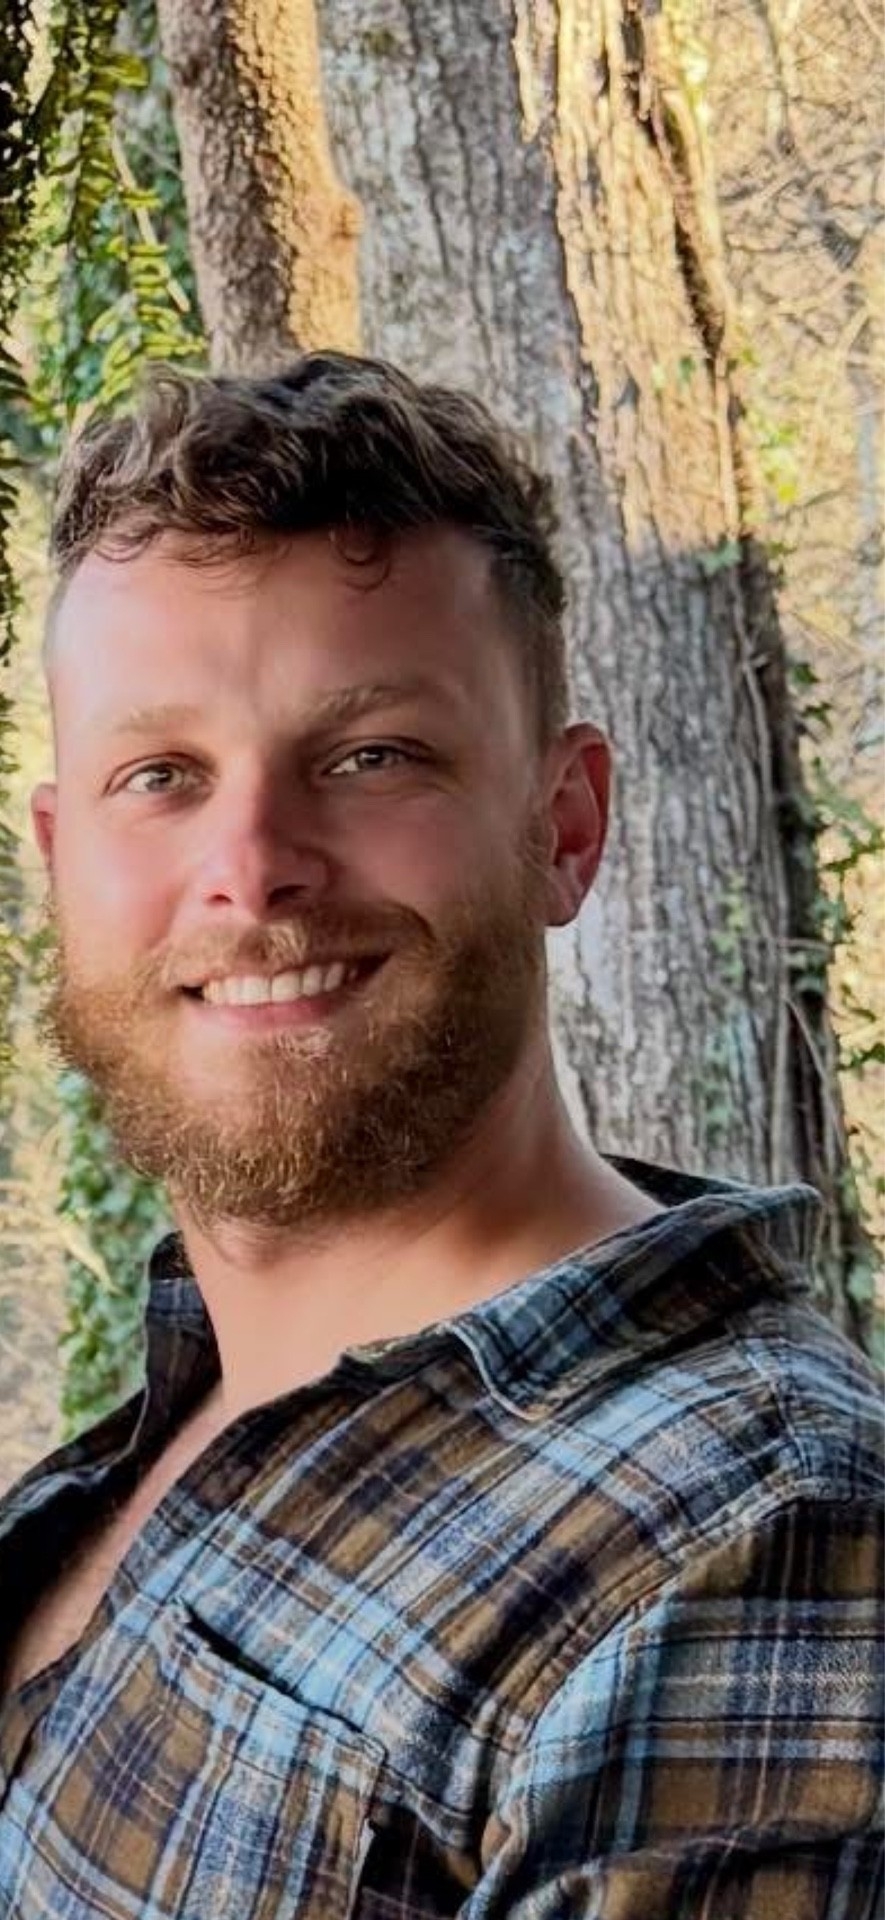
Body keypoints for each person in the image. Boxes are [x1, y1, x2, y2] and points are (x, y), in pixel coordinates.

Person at [0, 352, 880, 1919]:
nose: (252, 864)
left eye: (370, 757)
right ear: (62, 860)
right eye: (162, 775)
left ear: (564, 825)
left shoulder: (752, 1542)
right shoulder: (189, 1402)